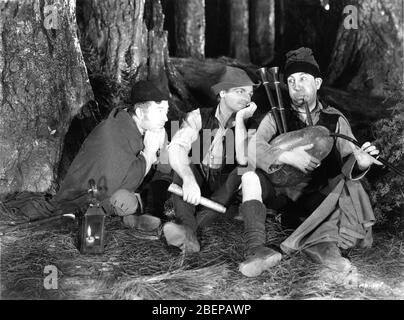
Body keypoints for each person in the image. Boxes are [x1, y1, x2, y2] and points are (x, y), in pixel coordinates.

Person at [239, 47, 382, 277]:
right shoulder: (277, 116)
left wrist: (361, 164)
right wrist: (284, 156)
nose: (297, 86)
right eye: (292, 80)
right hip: (281, 194)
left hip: (318, 196)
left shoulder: (334, 119)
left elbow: (348, 161)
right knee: (248, 176)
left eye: (303, 79)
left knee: (349, 187)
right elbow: (250, 147)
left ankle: (325, 249)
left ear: (317, 82)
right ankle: (256, 250)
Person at [163, 66, 260, 253]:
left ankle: (191, 229)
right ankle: (188, 232)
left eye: (249, 93)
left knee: (241, 172)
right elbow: (176, 147)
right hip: (200, 177)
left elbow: (244, 159)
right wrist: (189, 179)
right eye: (240, 91)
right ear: (222, 92)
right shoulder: (199, 116)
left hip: (226, 187)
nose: (247, 99)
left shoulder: (251, 124)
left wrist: (240, 121)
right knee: (184, 168)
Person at [53, 79, 171, 231]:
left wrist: (162, 151)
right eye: (160, 111)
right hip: (84, 198)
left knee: (164, 170)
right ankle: (128, 215)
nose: (166, 118)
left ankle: (150, 211)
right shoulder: (114, 131)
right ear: (140, 113)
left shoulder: (149, 128)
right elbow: (122, 183)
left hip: (119, 191)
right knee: (123, 199)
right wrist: (148, 153)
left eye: (166, 112)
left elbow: (164, 167)